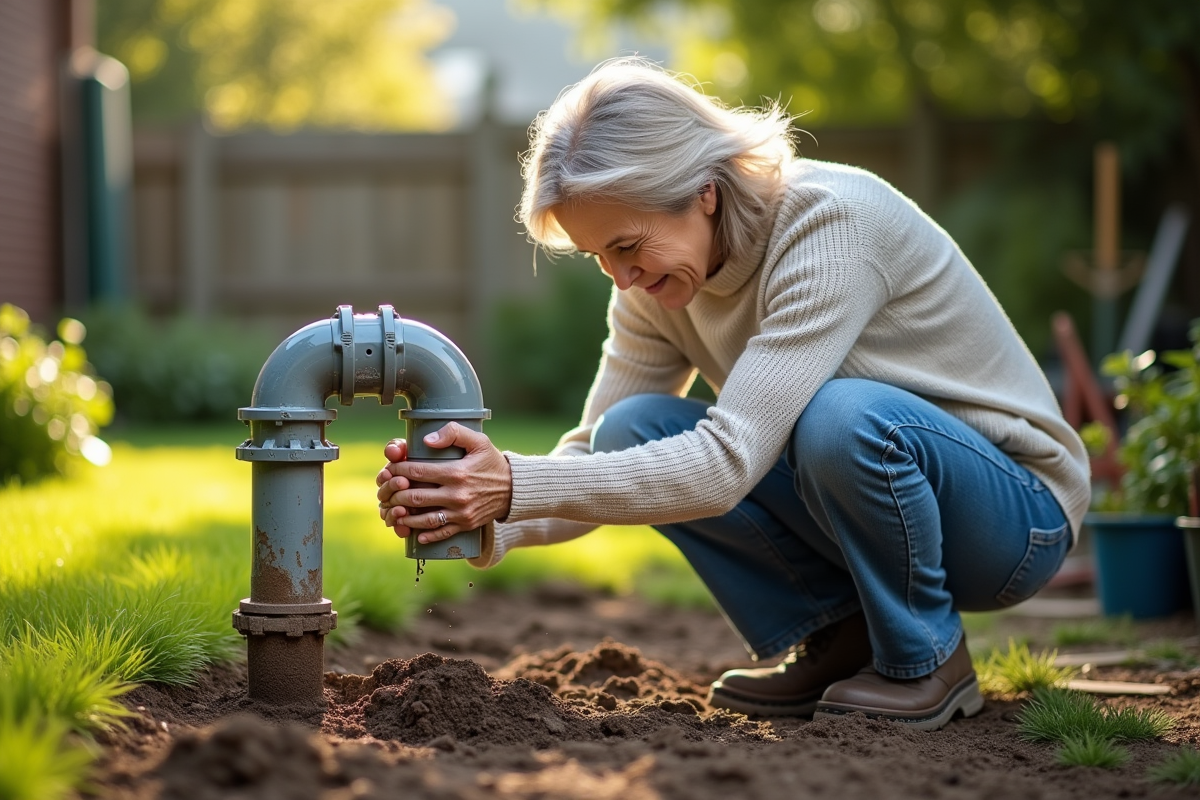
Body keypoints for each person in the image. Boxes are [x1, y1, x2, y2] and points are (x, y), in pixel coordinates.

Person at [375, 58, 1090, 730]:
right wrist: (471, 513)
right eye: (600, 259)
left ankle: (927, 661)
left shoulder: (828, 226)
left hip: (1014, 517)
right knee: (633, 429)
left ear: (704, 192)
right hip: (882, 494)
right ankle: (840, 639)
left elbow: (727, 463)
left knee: (842, 418)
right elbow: (592, 452)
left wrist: (511, 485)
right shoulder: (657, 289)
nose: (621, 278)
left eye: (627, 246)